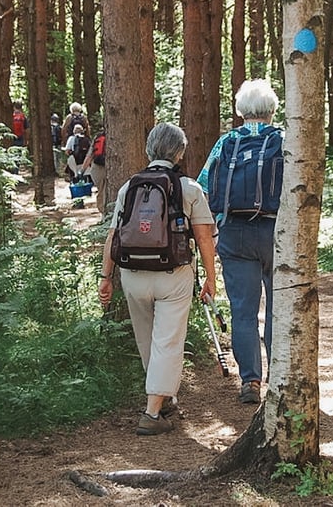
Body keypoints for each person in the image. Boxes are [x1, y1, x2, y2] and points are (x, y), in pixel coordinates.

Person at [98, 122, 217, 435]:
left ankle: (163, 399)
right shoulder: (189, 188)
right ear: (179, 153)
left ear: (149, 149)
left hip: (133, 275)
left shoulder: (129, 186)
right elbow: (205, 238)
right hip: (173, 274)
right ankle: (152, 413)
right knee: (167, 341)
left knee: (147, 340)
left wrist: (105, 277)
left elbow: (113, 235)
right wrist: (210, 277)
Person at [197, 79, 282, 405]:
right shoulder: (283, 139)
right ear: (272, 110)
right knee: (278, 309)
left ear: (241, 110)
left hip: (235, 234)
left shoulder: (226, 143)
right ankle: (280, 377)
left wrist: (216, 227)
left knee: (243, 312)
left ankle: (250, 382)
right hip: (276, 233)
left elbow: (204, 187)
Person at [82, 130, 107, 214]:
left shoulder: (98, 137)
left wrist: (82, 171)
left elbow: (89, 156)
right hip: (107, 167)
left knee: (101, 191)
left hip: (97, 169)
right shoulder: (115, 136)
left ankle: (103, 213)